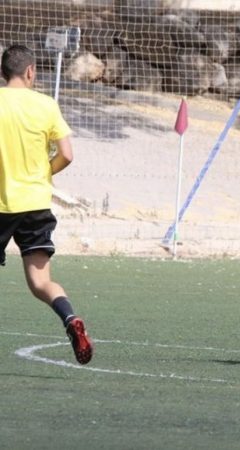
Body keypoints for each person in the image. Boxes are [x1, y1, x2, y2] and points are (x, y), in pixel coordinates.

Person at [0, 44, 93, 364]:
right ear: (30, 72)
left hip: (1, 204)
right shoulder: (46, 105)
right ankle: (70, 319)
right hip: (36, 204)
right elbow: (66, 154)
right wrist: (44, 174)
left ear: (3, 73)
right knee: (41, 282)